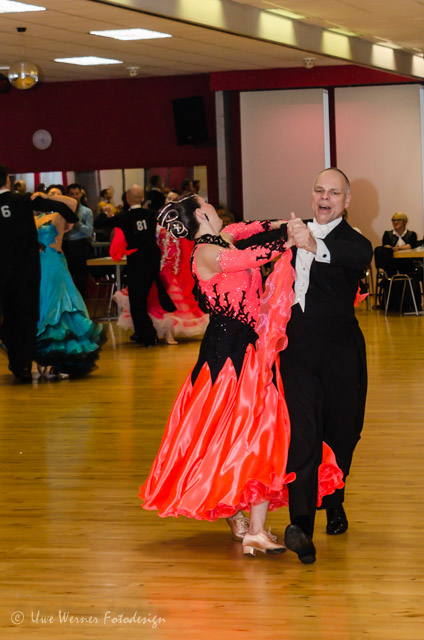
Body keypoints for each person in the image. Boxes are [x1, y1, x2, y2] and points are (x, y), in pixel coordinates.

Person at [139, 195, 344, 557]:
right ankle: (252, 528)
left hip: (249, 350)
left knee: (255, 433)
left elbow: (252, 228)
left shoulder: (224, 236)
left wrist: (286, 225)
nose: (214, 207)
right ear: (201, 213)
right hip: (227, 357)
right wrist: (289, 240)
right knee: (251, 432)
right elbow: (252, 258)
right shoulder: (205, 253)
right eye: (208, 204)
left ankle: (247, 522)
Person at [279, 168, 373, 564]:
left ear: (346, 201)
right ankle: (301, 526)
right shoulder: (293, 232)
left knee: (341, 433)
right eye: (319, 190)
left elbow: (355, 257)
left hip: (340, 353)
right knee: (302, 436)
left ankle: (334, 499)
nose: (325, 197)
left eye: (334, 193)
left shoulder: (356, 242)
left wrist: (313, 244)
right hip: (296, 351)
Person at [0, 165, 78, 382]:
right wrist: (71, 220)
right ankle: (23, 366)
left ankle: (17, 362)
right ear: (8, 179)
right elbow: (61, 207)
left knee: (8, 318)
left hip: (2, 272)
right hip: (26, 271)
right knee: (26, 317)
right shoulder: (24, 199)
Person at [34, 187, 105, 379]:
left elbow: (73, 203)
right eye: (51, 192)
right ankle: (46, 356)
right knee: (43, 307)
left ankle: (64, 360)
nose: (54, 196)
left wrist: (49, 196)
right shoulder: (36, 218)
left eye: (58, 193)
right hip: (38, 266)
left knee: (60, 306)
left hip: (55, 263)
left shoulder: (60, 216)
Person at [101, 184, 161, 346]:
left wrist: (106, 213)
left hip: (137, 260)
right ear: (142, 198)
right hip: (153, 258)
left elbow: (101, 223)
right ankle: (142, 333)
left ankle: (148, 335)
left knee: (136, 300)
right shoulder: (151, 214)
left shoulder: (124, 217)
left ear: (127, 198)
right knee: (144, 297)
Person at [62, 183, 94, 298]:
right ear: (68, 195)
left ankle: (82, 304)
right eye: (72, 194)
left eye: (77, 193)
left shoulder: (87, 211)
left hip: (80, 246)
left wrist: (76, 222)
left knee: (81, 279)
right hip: (65, 246)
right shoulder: (62, 210)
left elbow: (89, 231)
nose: (75, 196)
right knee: (67, 278)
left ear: (81, 194)